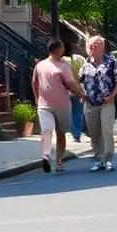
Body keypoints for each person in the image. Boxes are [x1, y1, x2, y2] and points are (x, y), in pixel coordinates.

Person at [32, 39, 87, 173]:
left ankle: (55, 158)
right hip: (49, 105)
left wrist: (36, 98)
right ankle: (49, 157)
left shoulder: (52, 65)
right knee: (50, 130)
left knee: (56, 132)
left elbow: (34, 83)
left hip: (59, 105)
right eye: (61, 47)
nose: (63, 50)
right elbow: (70, 84)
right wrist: (81, 93)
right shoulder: (48, 66)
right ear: (57, 49)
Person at [79, 34, 117, 171]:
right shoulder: (86, 63)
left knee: (106, 131)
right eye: (89, 46)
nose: (90, 48)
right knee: (94, 132)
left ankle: (108, 159)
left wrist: (112, 96)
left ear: (101, 47)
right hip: (90, 103)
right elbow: (80, 81)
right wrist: (82, 94)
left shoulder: (111, 62)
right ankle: (99, 159)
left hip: (106, 103)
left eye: (93, 46)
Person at [65, 47, 88, 142]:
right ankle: (76, 134)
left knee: (66, 112)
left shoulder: (63, 61)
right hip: (79, 89)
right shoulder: (81, 59)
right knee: (78, 112)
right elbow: (85, 75)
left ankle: (67, 131)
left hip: (66, 89)